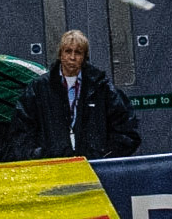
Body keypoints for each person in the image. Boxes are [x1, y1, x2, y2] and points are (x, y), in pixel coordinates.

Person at [10, 30, 139, 160]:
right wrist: (40, 156)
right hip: (53, 168)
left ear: (84, 57)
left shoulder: (101, 87)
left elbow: (126, 128)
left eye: (78, 52)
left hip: (94, 166)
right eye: (68, 51)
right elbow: (21, 129)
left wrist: (104, 156)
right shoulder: (39, 88)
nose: (72, 57)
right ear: (60, 54)